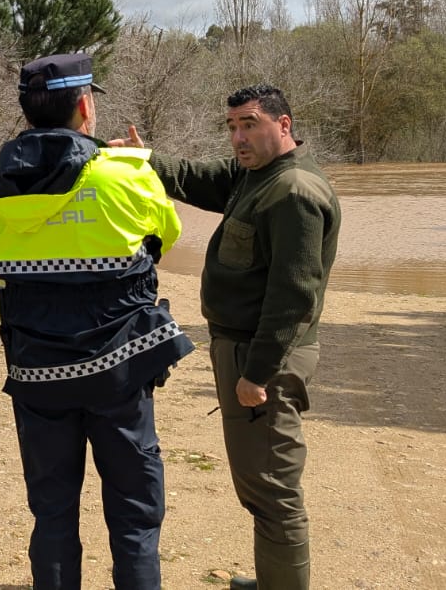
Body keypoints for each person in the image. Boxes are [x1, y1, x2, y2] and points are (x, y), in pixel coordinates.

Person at [0, 52, 194, 590]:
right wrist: (131, 166)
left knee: (52, 513)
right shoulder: (128, 176)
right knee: (134, 513)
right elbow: (164, 240)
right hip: (118, 373)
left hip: (36, 372)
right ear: (84, 104)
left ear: (29, 112)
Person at [115, 84, 339, 590]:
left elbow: (293, 295)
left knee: (272, 490)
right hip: (244, 351)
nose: (239, 137)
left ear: (284, 125)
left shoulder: (293, 193)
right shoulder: (257, 176)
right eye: (233, 127)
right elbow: (200, 178)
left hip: (263, 359)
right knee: (260, 484)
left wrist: (257, 375)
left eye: (251, 124)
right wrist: (143, 159)